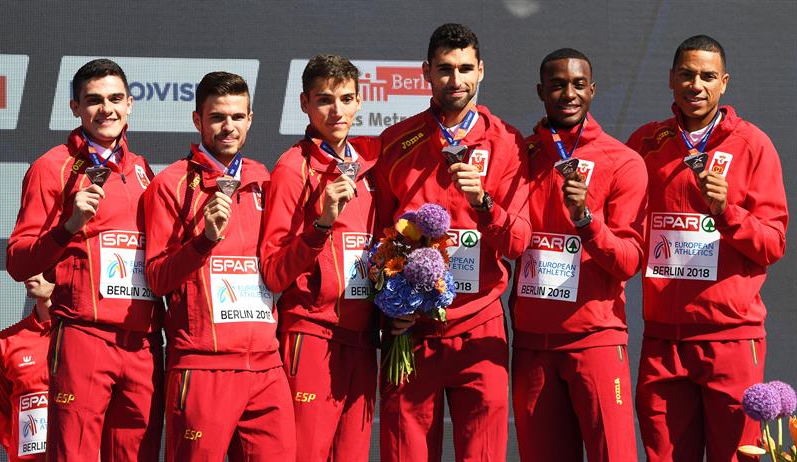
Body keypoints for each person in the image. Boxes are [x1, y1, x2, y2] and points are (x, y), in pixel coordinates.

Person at [627, 35, 788, 462]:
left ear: (724, 83)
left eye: (707, 76)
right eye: (686, 74)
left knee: (736, 456)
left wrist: (726, 211)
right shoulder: (644, 144)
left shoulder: (753, 145)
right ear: (671, 80)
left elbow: (773, 244)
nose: (695, 85)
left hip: (730, 339)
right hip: (663, 340)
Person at [374, 23, 531, 462]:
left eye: (465, 69)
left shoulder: (510, 144)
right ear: (426, 72)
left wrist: (483, 202)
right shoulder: (395, 143)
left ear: (481, 71)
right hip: (412, 331)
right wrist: (391, 308)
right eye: (444, 69)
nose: (455, 80)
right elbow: (375, 241)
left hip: (480, 327)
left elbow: (518, 243)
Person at [6, 58, 164, 461]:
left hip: (143, 343)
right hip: (83, 336)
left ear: (130, 104)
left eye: (114, 98)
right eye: (93, 100)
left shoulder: (145, 171)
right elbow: (18, 262)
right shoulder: (52, 167)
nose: (105, 109)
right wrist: (69, 225)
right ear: (74, 107)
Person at [144, 71, 295, 461]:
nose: (228, 126)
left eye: (237, 116)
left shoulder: (264, 178)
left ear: (249, 119)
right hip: (202, 366)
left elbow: (279, 264)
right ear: (198, 121)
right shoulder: (170, 184)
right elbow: (158, 279)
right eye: (217, 117)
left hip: (266, 366)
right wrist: (204, 240)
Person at [510, 48, 645, 461]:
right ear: (540, 91)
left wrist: (587, 220)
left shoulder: (623, 161)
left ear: (592, 90)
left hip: (596, 341)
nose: (568, 93)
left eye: (577, 84)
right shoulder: (521, 156)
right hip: (533, 346)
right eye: (557, 84)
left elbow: (628, 261)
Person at [261, 54, 379, 462]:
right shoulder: (292, 169)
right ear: (304, 104)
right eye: (324, 100)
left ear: (361, 101)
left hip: (363, 340)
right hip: (311, 334)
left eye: (346, 99)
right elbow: (273, 273)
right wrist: (321, 224)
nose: (337, 111)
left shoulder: (369, 168)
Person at [0, 274, 54, 461]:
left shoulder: (92, 337)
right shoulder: (5, 342)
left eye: (41, 266)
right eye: (28, 266)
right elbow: (2, 413)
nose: (30, 273)